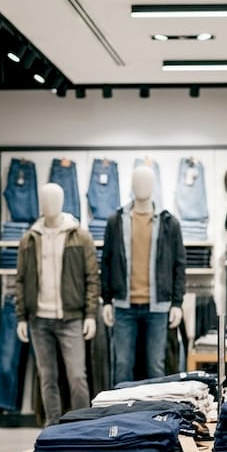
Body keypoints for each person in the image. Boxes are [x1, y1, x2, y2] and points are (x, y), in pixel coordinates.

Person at [16, 182, 99, 424]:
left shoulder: (80, 236)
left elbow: (92, 278)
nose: (48, 204)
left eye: (53, 199)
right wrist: (21, 317)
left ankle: (82, 428)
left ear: (62, 202)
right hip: (39, 320)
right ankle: (52, 428)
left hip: (71, 317)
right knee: (47, 378)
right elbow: (20, 280)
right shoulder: (29, 239)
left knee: (77, 377)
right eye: (44, 199)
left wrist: (90, 315)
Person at [101, 165, 185, 384]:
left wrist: (177, 303)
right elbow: (107, 261)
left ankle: (157, 407)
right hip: (124, 306)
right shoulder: (116, 221)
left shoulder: (169, 223)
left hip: (158, 307)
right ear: (131, 185)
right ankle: (121, 407)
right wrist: (107, 300)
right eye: (138, 181)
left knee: (156, 366)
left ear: (154, 185)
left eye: (147, 181)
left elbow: (179, 265)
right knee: (122, 366)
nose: (142, 186)